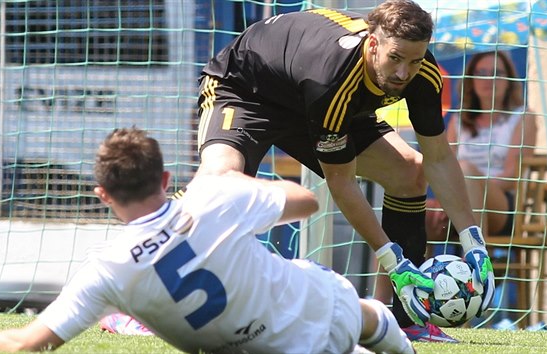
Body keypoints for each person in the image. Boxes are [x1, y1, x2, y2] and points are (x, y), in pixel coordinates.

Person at [194, 0, 494, 341]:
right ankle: (146, 291)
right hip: (247, 91)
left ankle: (404, 318)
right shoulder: (332, 78)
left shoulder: (421, 74)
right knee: (219, 182)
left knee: (409, 172)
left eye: (414, 60)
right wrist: (393, 261)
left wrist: (474, 243)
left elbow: (438, 158)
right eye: (395, 58)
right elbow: (342, 182)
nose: (402, 73)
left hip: (315, 97)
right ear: (373, 43)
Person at [0, 127, 415, 354]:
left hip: (260, 348)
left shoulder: (106, 270)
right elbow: (307, 202)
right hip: (323, 311)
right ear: (166, 179)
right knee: (355, 309)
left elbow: (27, 342)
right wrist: (233, 180)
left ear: (103, 195)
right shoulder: (216, 196)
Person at [425, 51, 538, 243]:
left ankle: (476, 262)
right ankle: (416, 270)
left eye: (497, 72)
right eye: (482, 73)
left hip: (500, 203)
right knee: (413, 211)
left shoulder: (522, 117)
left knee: (466, 171)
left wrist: (472, 186)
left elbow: (513, 176)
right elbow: (443, 169)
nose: (489, 79)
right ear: (471, 79)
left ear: (509, 79)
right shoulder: (459, 119)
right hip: (456, 201)